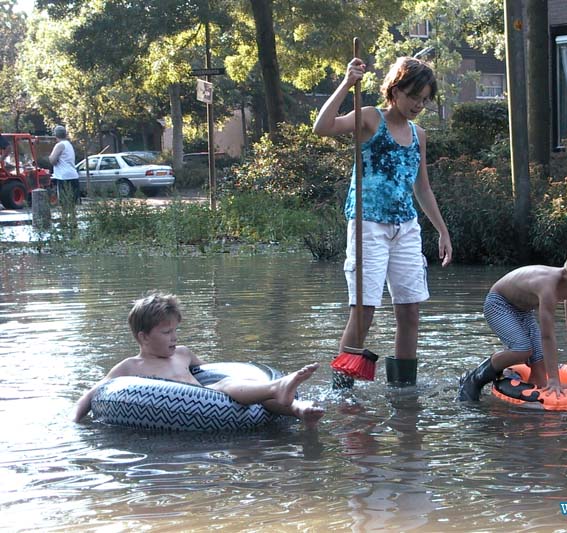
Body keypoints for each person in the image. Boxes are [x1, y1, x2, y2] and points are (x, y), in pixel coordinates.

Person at [313, 56, 452, 386]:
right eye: (413, 96)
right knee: (364, 311)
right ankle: (343, 388)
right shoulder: (370, 117)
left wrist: (442, 230)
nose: (418, 104)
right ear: (395, 89)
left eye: (424, 99)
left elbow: (422, 186)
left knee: (409, 311)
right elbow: (322, 127)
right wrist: (348, 83)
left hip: (406, 227)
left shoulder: (419, 134)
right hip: (368, 225)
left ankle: (404, 391)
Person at [73, 291, 325, 426]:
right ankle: (278, 389)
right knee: (226, 389)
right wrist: (75, 423)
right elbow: (92, 393)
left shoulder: (182, 354)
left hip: (209, 397)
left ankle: (297, 408)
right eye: (165, 332)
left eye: (175, 330)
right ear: (143, 337)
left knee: (237, 388)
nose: (174, 337)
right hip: (184, 405)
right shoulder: (130, 367)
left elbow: (213, 372)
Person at [458, 240, 567, 401]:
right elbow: (547, 336)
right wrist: (554, 379)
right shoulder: (548, 288)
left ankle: (536, 413)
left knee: (540, 370)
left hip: (523, 310)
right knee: (523, 349)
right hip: (499, 303)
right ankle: (474, 379)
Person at [48, 125, 81, 204]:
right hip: (74, 176)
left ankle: (64, 216)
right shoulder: (69, 145)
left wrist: (49, 157)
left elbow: (52, 160)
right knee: (72, 203)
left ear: (55, 135)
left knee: (64, 204)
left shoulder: (59, 145)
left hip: (63, 177)